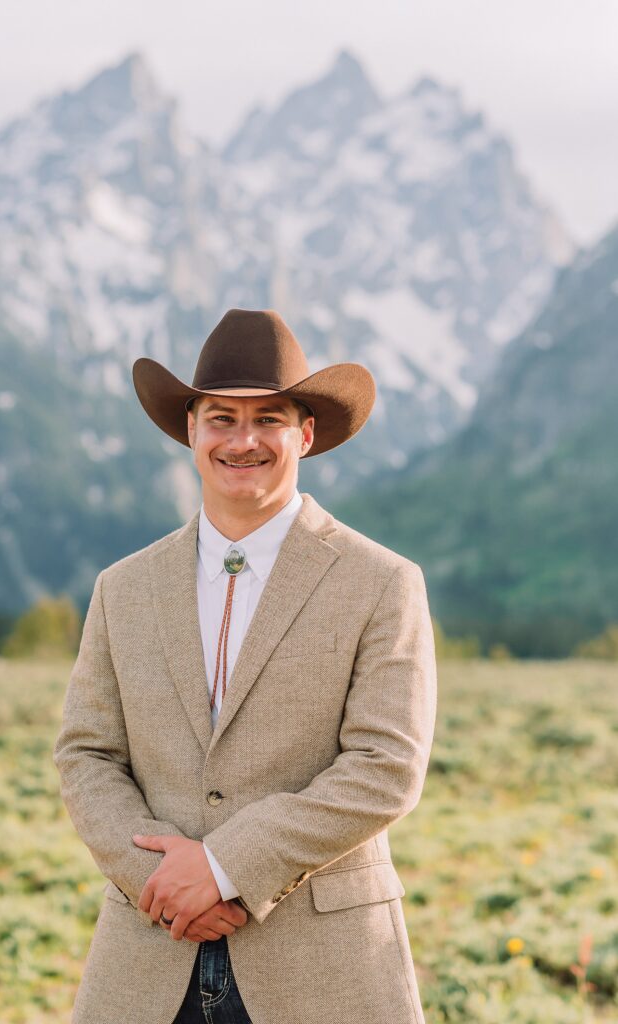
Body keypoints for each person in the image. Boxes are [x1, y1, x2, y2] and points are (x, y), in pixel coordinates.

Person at [53, 307, 438, 1024]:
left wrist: (225, 866)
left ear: (306, 433)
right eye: (222, 418)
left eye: (269, 419)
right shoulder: (121, 588)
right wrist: (158, 879)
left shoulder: (383, 581)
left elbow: (386, 766)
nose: (243, 440)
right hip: (148, 956)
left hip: (326, 969)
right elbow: (87, 754)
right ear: (191, 429)